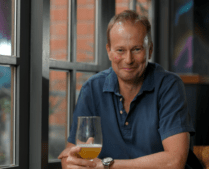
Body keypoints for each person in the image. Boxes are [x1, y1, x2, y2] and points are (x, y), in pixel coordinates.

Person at [58, 10, 196, 169]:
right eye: (120, 50)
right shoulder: (92, 89)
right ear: (109, 51)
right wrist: (73, 162)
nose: (128, 60)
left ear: (149, 50)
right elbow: (70, 155)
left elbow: (174, 162)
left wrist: (105, 165)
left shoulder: (169, 85)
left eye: (137, 49)